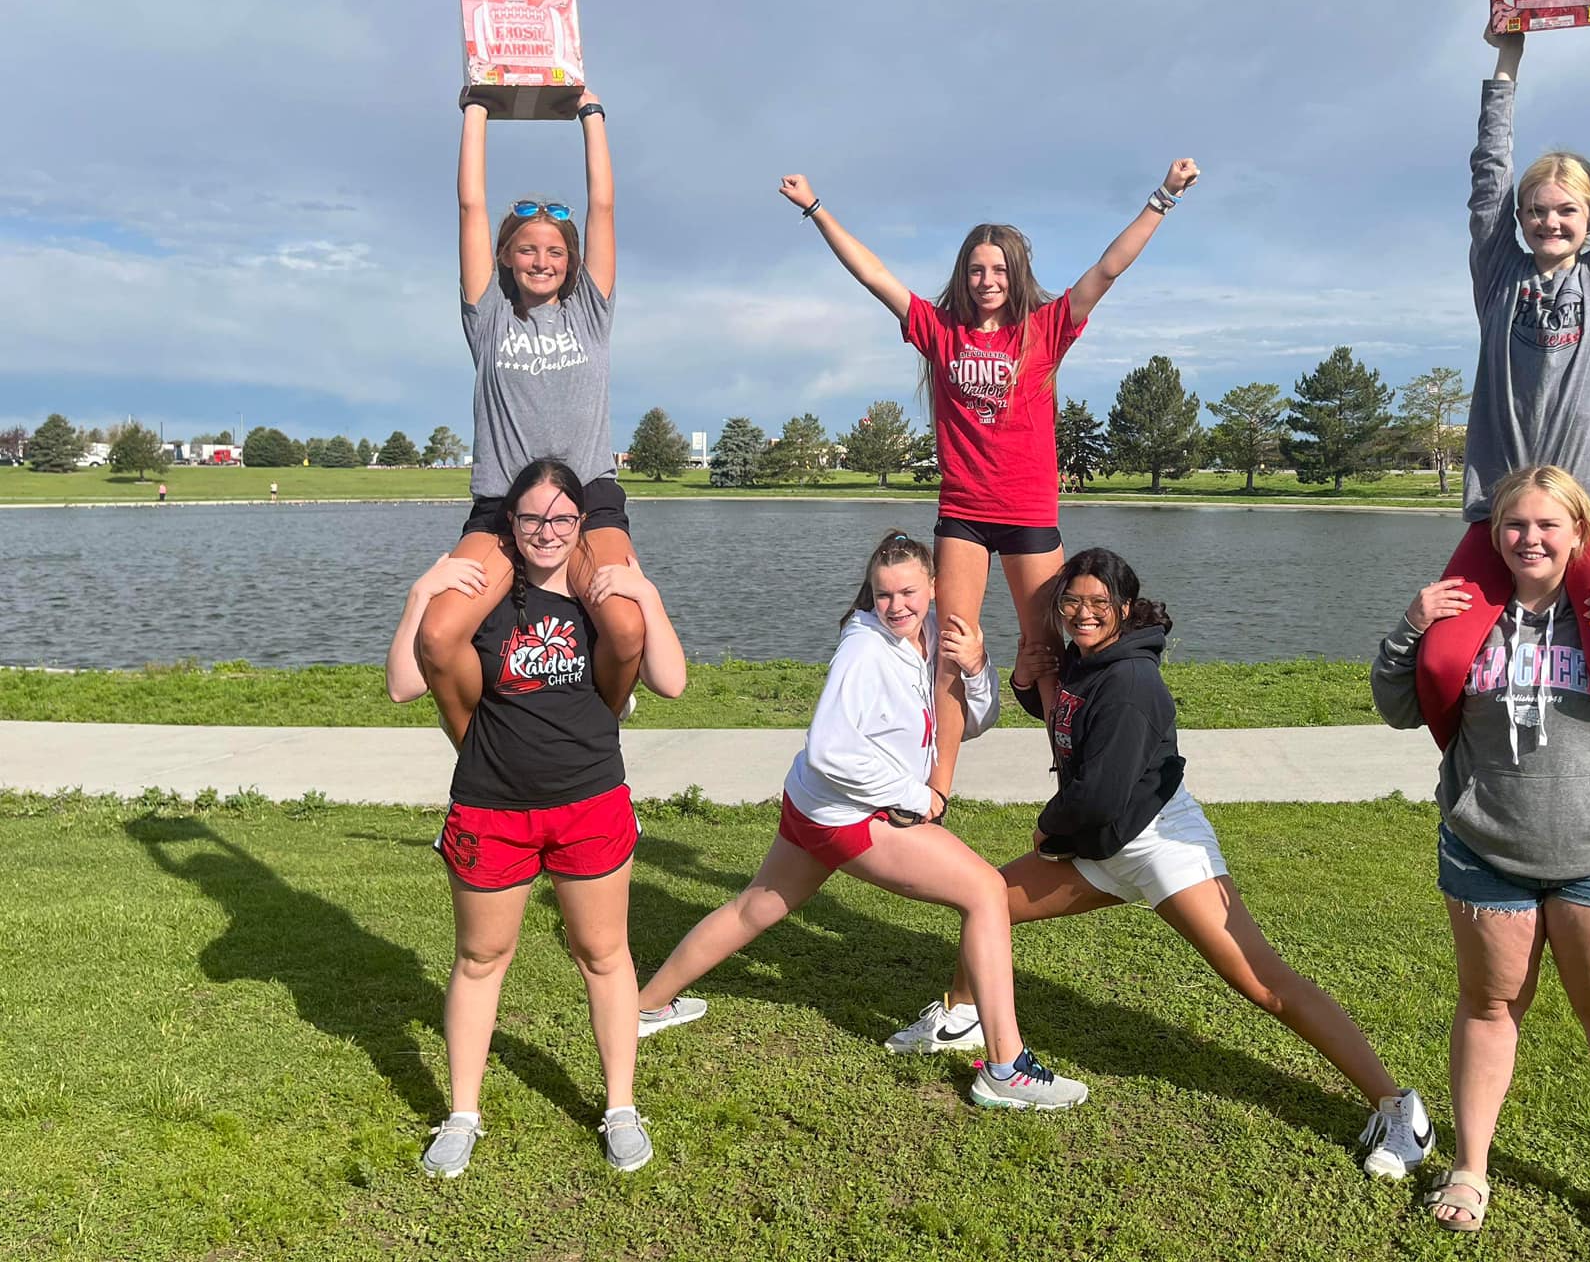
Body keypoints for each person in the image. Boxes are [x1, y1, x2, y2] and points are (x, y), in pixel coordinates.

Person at [883, 547, 1435, 1178]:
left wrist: (1048, 827)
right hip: (1100, 842)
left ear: (1124, 607)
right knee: (988, 898)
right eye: (1071, 603)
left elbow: (1100, 793)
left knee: (1264, 985)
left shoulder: (1131, 684)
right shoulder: (1089, 661)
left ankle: (1398, 1109)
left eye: (1097, 604)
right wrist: (1022, 677)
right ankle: (960, 1016)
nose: (1082, 615)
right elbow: (1064, 717)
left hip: (1156, 844)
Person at [1371, 464, 1590, 1255]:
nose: (1530, 539)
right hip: (1486, 847)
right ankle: (1470, 1168)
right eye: (1514, 526)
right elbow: (1396, 706)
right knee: (1489, 1009)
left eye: (1547, 525)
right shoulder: (1470, 615)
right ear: (1494, 536)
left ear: (1578, 533)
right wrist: (1410, 623)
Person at [778, 160, 1197, 808]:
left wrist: (1163, 197)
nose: (987, 279)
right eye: (977, 269)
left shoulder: (1045, 330)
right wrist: (816, 209)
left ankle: (1074, 781)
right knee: (951, 646)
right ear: (963, 277)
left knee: (1046, 649)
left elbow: (1107, 270)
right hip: (965, 514)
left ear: (1015, 274)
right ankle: (937, 788)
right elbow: (872, 274)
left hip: (1029, 512)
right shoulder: (938, 331)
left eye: (998, 268)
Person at [637, 530, 1088, 1111]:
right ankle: (1004, 1067)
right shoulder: (865, 649)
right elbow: (829, 747)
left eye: (907, 592)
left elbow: (971, 722)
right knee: (984, 891)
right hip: (845, 811)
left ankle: (647, 1005)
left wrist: (976, 669)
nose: (896, 605)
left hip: (811, 803)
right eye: (882, 595)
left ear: (933, 586)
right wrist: (913, 794)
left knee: (757, 906)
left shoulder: (934, 632)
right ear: (870, 597)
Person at [385, 456, 689, 1178]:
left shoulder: (600, 599)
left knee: (604, 957)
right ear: (510, 525)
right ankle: (462, 1114)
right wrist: (421, 591)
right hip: (491, 808)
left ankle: (620, 1107)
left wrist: (645, 590)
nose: (546, 532)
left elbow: (672, 682)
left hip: (590, 802)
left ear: (580, 524)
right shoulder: (482, 600)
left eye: (560, 518)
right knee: (480, 960)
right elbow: (403, 684)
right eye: (531, 518)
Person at [1415, 0, 1590, 766]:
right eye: (1536, 211)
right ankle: (1468, 754)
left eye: (1565, 211)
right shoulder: (1498, 277)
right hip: (1503, 510)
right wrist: (1506, 60)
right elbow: (1486, 175)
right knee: (1436, 661)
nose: (1548, 222)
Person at [415, 87, 646, 741]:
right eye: (526, 249)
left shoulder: (591, 314)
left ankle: (591, 739)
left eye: (554, 252)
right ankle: (481, 756)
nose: (541, 260)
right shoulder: (485, 319)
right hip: (499, 509)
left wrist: (591, 114)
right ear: (506, 258)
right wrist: (477, 109)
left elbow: (603, 204)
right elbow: (470, 205)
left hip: (588, 504)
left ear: (571, 262)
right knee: (438, 637)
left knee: (626, 630)